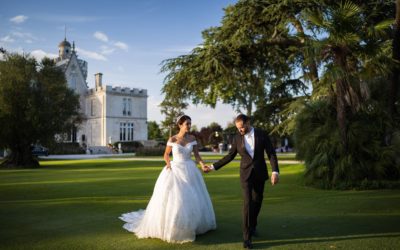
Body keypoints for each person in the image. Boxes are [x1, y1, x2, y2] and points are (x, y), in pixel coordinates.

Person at [119, 115, 216, 243]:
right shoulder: (173, 139)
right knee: (177, 198)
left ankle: (194, 225)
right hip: (175, 169)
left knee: (194, 197)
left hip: (190, 170)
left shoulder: (192, 138)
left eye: (190, 124)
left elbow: (197, 155)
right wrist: (168, 163)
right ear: (180, 125)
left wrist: (202, 164)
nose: (189, 126)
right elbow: (166, 154)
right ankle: (175, 226)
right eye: (187, 123)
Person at [204, 114, 279, 249]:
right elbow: (230, 156)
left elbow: (271, 153)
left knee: (257, 201)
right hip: (245, 175)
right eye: (238, 128)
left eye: (242, 127)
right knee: (247, 203)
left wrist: (275, 171)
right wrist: (212, 167)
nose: (240, 130)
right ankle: (247, 237)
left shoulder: (262, 134)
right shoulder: (237, 138)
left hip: (260, 174)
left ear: (248, 122)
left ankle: (253, 225)